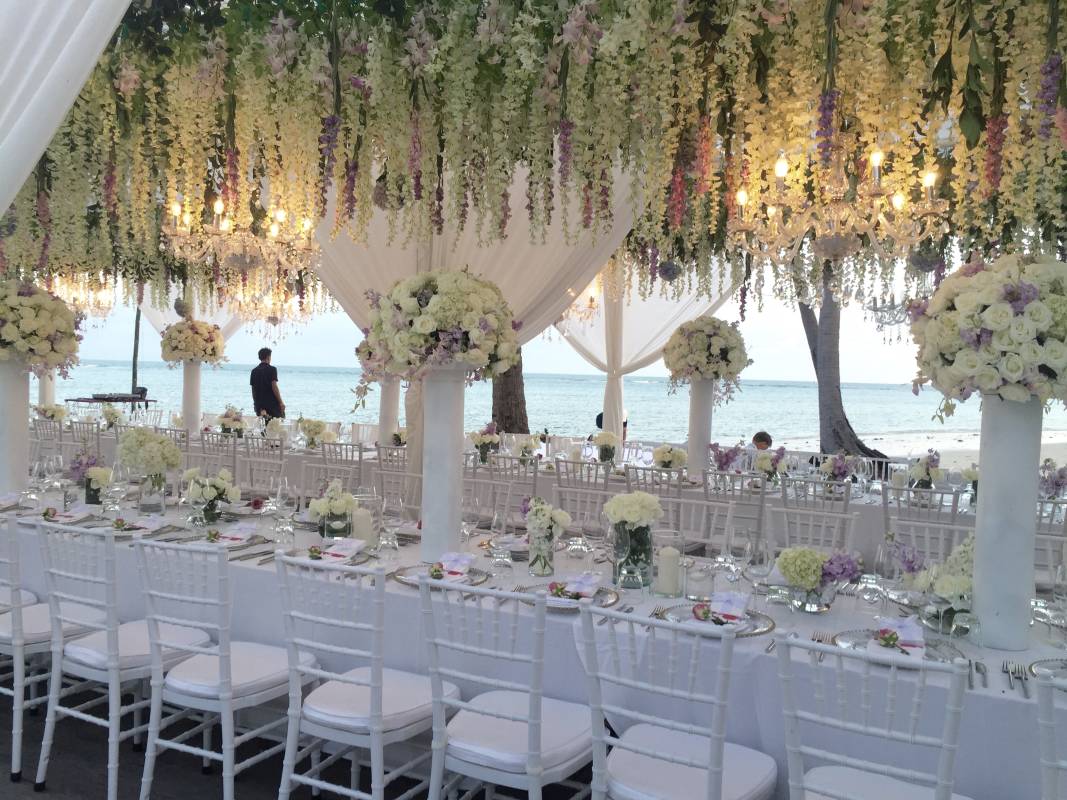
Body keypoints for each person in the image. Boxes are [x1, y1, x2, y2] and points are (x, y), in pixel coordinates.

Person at [250, 347, 285, 419]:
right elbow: (274, 386)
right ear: (268, 357)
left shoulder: (254, 371)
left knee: (263, 424)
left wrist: (256, 405)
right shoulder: (272, 369)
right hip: (272, 404)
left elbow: (253, 390)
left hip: (260, 405)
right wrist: (281, 402)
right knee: (278, 422)